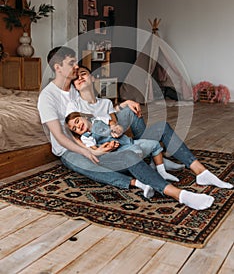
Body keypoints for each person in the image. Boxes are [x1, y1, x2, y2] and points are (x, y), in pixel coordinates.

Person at [37, 46, 232, 211]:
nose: (77, 67)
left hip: (99, 134)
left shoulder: (73, 86)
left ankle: (197, 170)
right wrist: (89, 151)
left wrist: (124, 104)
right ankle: (178, 194)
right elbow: (61, 138)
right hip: (73, 149)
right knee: (122, 158)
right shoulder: (48, 97)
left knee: (151, 121)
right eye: (72, 63)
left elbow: (99, 112)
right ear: (57, 67)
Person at [65, 111, 179, 182]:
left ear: (83, 116)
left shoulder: (98, 119)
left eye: (77, 121)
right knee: (136, 151)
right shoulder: (86, 137)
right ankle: (144, 172)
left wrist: (115, 128)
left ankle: (162, 172)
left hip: (129, 141)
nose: (78, 126)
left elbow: (110, 122)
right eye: (75, 129)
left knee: (155, 144)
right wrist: (107, 147)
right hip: (121, 150)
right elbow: (95, 149)